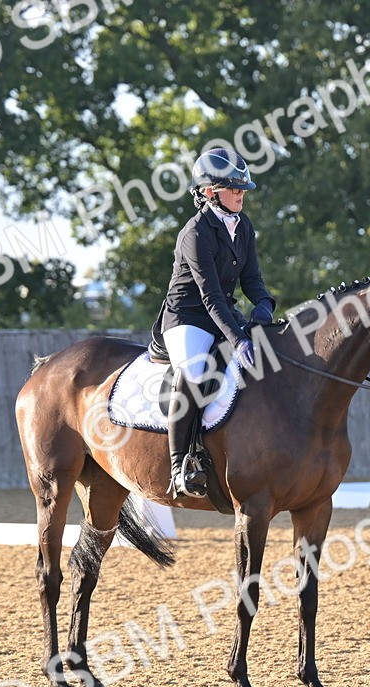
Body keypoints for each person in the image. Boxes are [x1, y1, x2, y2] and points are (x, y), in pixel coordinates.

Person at [151, 147, 276, 498]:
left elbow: (252, 280)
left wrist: (264, 307)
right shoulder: (195, 233)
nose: (241, 194)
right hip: (187, 316)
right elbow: (210, 296)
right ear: (210, 192)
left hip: (222, 313)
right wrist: (239, 340)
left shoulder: (244, 226)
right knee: (194, 372)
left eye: (242, 189)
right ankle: (179, 466)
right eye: (234, 188)